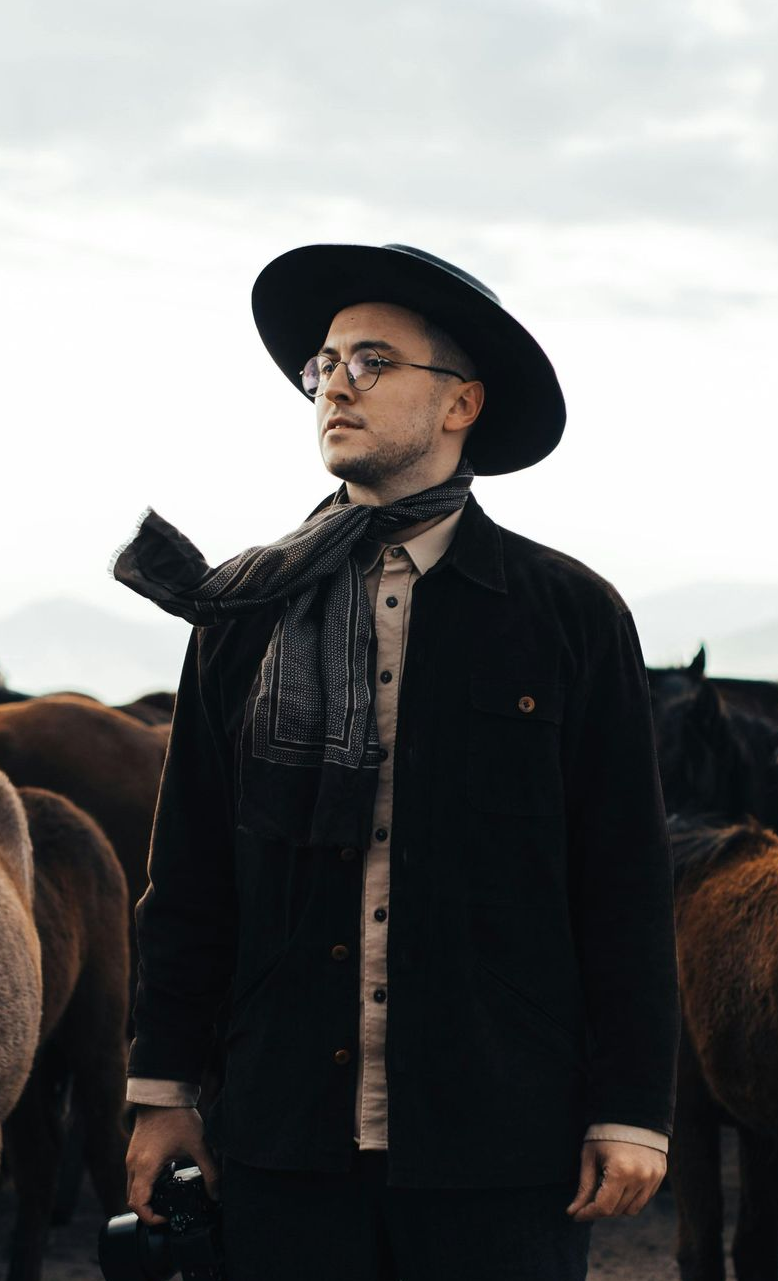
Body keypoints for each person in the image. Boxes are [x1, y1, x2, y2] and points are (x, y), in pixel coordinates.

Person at [111, 243, 678, 1280]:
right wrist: (162, 1092)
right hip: (285, 1133)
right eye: (322, 365)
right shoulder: (243, 609)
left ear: (459, 404)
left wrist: (634, 1108)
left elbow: (626, 882)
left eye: (371, 361)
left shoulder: (570, 616)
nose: (335, 384)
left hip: (501, 1138)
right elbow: (191, 870)